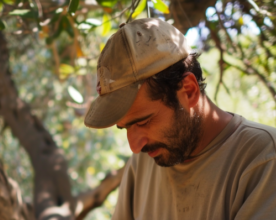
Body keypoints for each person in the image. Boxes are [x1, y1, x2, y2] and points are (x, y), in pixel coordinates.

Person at [84, 18, 276, 220]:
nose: (134, 147)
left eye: (143, 122)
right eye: (124, 128)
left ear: (189, 90)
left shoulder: (263, 159)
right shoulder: (142, 163)